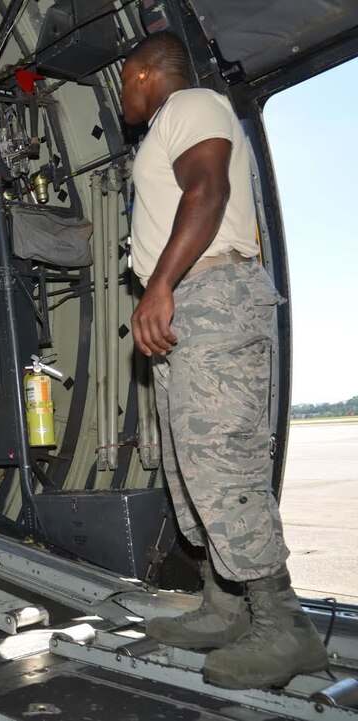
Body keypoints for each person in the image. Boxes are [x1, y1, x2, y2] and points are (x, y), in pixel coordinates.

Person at [119, 31, 327, 689]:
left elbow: (205, 191)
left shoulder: (191, 106)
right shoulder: (162, 129)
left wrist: (159, 284)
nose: (123, 93)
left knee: (222, 458)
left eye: (126, 80)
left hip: (210, 295)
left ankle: (284, 626)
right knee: (192, 470)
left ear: (147, 72)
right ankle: (225, 604)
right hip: (189, 302)